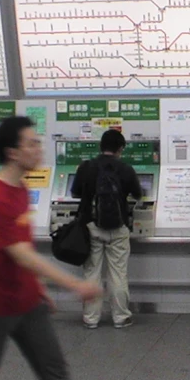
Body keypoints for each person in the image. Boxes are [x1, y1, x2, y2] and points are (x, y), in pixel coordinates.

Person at [0, 116, 129, 380]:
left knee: (55, 371)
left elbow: (19, 249)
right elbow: (20, 253)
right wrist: (74, 284)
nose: (39, 147)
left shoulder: (20, 188)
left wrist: (37, 287)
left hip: (25, 301)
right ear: (12, 152)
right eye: (31, 143)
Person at [72, 129, 142, 330]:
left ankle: (91, 318)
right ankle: (120, 317)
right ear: (121, 148)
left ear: (101, 147)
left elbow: (76, 192)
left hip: (91, 226)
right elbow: (138, 194)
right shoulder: (125, 169)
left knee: (92, 273)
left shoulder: (86, 167)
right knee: (118, 274)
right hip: (118, 228)